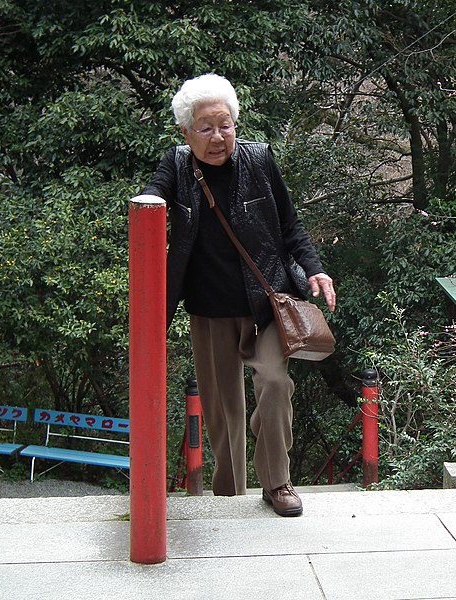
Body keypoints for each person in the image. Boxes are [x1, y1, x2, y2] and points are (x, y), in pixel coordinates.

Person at [141, 73, 336, 516]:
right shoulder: (175, 165)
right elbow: (151, 199)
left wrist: (316, 270)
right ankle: (228, 495)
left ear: (236, 124)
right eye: (206, 128)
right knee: (223, 414)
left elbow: (290, 225)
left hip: (265, 304)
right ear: (186, 132)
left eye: (225, 125)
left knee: (273, 382)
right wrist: (147, 204)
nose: (218, 137)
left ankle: (277, 483)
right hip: (209, 310)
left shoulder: (259, 160)